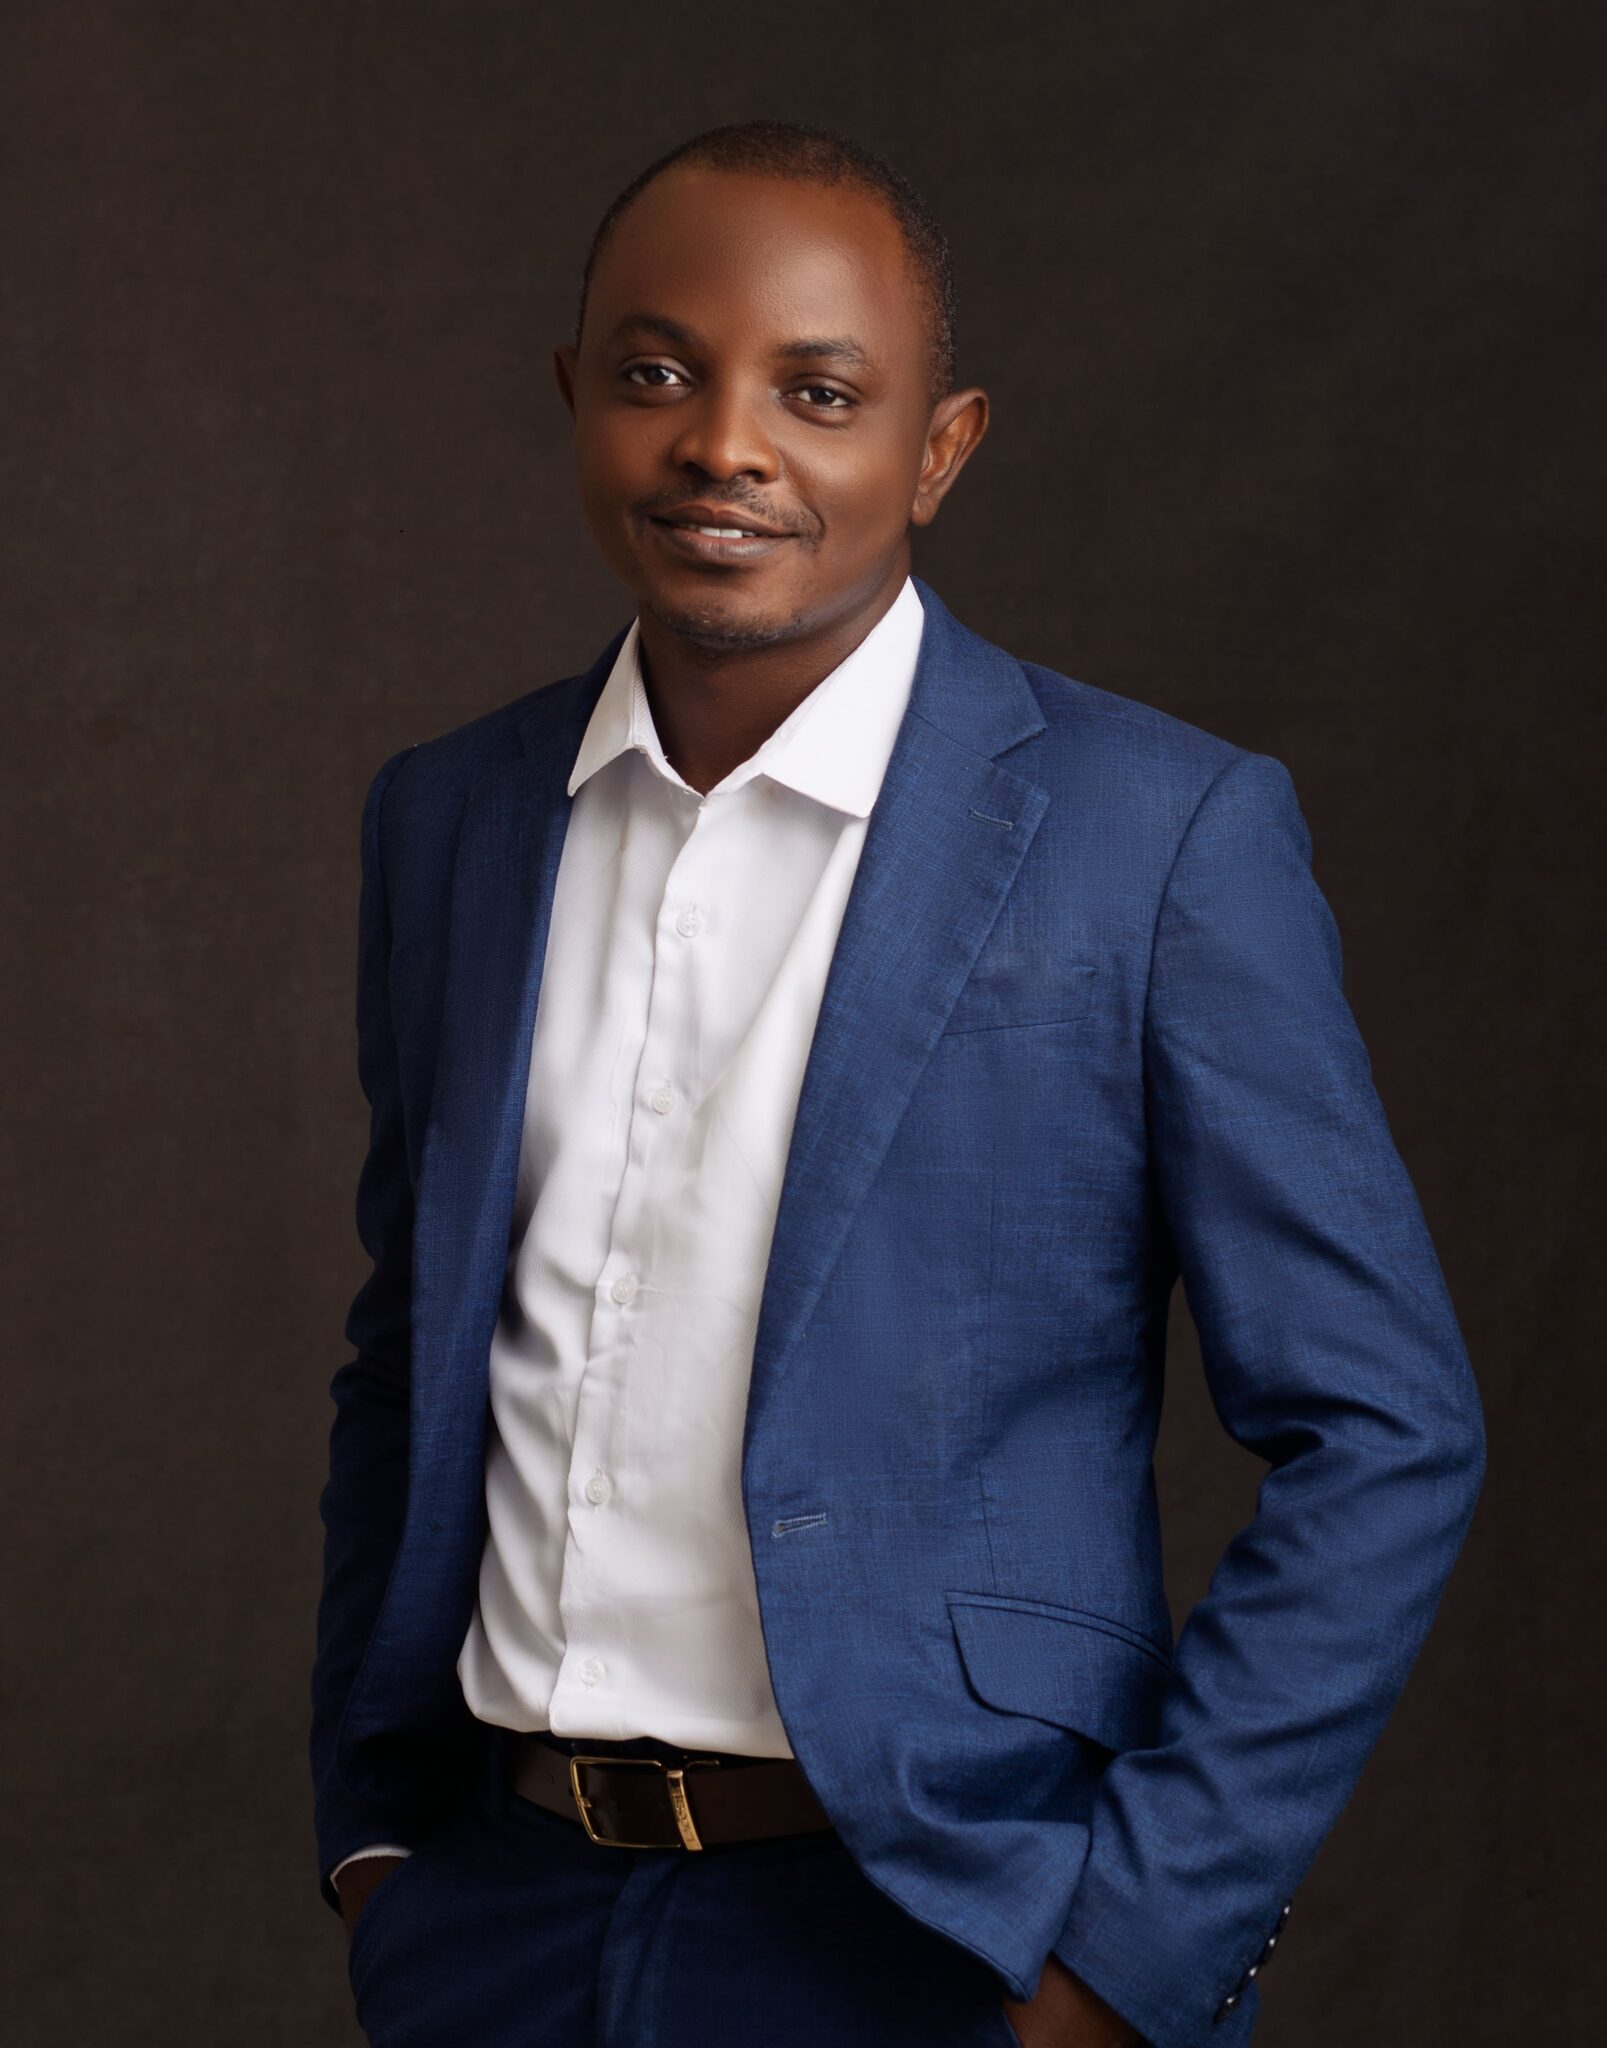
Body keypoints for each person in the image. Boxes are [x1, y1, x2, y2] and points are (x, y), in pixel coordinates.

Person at [309, 119, 1485, 2048]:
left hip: (938, 1935)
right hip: (499, 1924)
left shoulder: (1155, 834)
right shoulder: (450, 819)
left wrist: (1127, 1958)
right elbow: (407, 1356)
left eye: (821, 392)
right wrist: (376, 1844)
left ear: (940, 450)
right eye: (658, 373)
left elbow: (1387, 1429)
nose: (726, 444)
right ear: (575, 395)